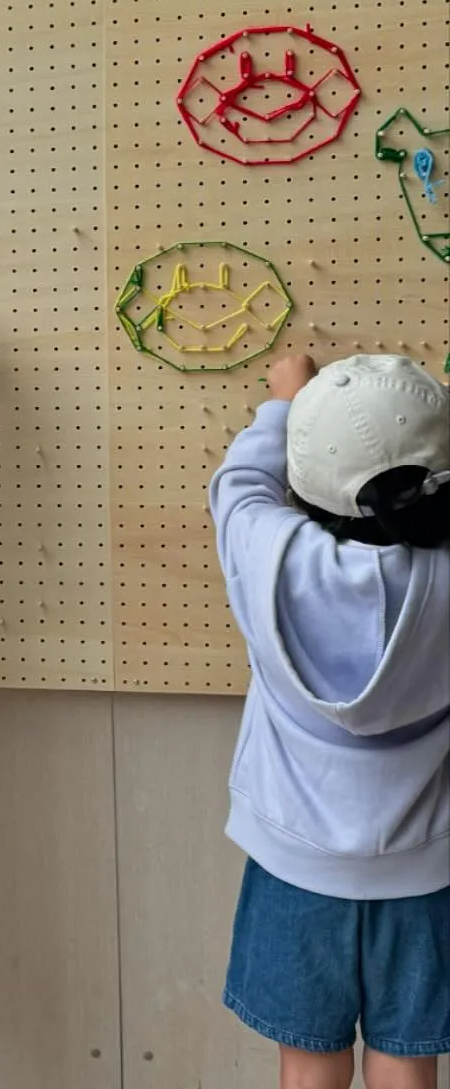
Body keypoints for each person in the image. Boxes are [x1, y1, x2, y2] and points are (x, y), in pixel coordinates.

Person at [210, 352, 450, 1089]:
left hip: (295, 864)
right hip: (426, 867)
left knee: (308, 1068)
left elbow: (240, 483)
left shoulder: (269, 552)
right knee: (407, 1066)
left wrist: (286, 401)